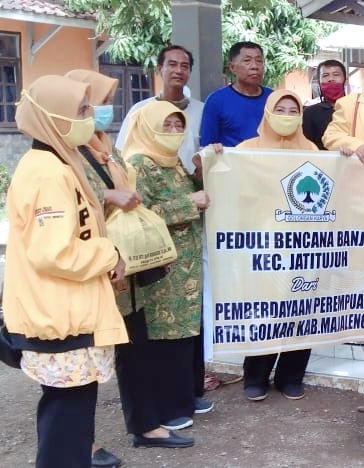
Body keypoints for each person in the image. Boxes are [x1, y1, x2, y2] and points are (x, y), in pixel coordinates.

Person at [3, 74, 129, 468]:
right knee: (67, 420)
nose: (89, 117)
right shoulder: (48, 171)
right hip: (60, 317)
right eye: (80, 110)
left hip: (64, 312)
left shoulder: (54, 161)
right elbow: (54, 252)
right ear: (54, 118)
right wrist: (109, 255)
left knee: (67, 419)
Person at [116, 45, 219, 412]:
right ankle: (167, 408)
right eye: (167, 125)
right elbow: (138, 211)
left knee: (184, 336)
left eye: (179, 124)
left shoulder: (172, 160)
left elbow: (193, 193)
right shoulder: (138, 163)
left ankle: (184, 400)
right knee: (162, 338)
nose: (175, 130)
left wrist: (199, 171)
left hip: (184, 265)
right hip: (160, 270)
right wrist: (187, 204)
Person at [64, 68, 139, 468]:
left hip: (106, 256)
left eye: (109, 101)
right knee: (73, 365)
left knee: (92, 358)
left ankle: (83, 440)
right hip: (83, 264)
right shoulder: (63, 151)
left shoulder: (102, 143)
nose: (105, 110)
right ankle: (81, 444)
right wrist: (107, 192)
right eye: (95, 102)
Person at [237, 90, 317, 400]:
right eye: (279, 109)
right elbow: (228, 183)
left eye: (292, 110)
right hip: (263, 244)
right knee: (265, 309)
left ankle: (291, 375)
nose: (286, 115)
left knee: (301, 307)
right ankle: (255, 375)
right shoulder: (246, 149)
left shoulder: (310, 148)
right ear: (268, 113)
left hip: (303, 244)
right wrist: (212, 157)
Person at [117, 45, 205, 179]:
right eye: (172, 64)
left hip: (192, 186)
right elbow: (122, 151)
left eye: (184, 66)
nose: (178, 70)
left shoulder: (202, 110)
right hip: (151, 187)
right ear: (159, 69)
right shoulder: (141, 110)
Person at [200, 41, 273, 147]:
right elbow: (207, 148)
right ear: (232, 67)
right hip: (232, 162)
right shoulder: (217, 100)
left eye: (259, 61)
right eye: (247, 61)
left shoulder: (273, 98)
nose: (255, 66)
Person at [302, 59, 347, 150]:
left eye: (336, 75)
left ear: (345, 80)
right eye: (325, 75)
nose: (331, 79)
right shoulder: (309, 113)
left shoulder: (357, 108)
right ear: (319, 82)